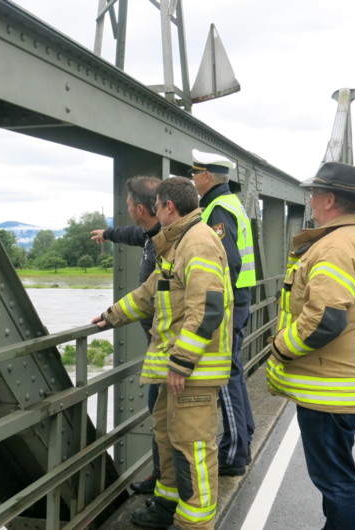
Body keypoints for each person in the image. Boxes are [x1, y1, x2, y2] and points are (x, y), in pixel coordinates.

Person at [92, 176, 232, 530]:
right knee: (169, 441)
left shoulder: (198, 242)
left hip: (193, 373)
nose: (153, 213)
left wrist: (182, 363)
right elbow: (149, 293)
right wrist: (111, 317)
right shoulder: (177, 243)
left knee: (193, 451)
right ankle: (165, 508)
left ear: (170, 207)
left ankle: (195, 525)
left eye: (156, 208)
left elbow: (208, 307)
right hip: (178, 370)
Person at [266, 162, 355, 530]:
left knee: (335, 482)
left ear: (330, 199)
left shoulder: (334, 247)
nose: (310, 201)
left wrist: (281, 347)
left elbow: (326, 319)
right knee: (337, 477)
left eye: (314, 194)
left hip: (331, 390)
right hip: (346, 382)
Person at [90, 176, 163, 494]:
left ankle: (167, 488)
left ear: (141, 208)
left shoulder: (168, 243)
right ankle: (162, 478)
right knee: (160, 417)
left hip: (169, 349)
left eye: (128, 205)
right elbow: (134, 235)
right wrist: (108, 233)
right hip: (161, 345)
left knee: (164, 418)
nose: (126, 210)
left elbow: (148, 295)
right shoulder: (153, 232)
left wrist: (112, 316)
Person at [190, 149, 257, 477]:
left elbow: (227, 260)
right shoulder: (230, 203)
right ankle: (244, 431)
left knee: (226, 371)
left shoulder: (217, 209)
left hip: (231, 301)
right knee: (235, 366)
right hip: (240, 297)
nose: (192, 180)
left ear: (205, 176)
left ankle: (234, 452)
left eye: (194, 174)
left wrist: (216, 304)